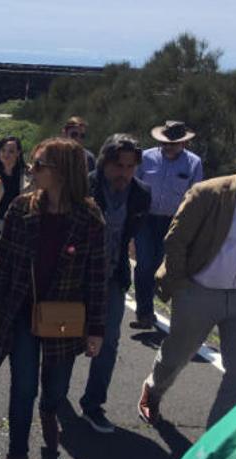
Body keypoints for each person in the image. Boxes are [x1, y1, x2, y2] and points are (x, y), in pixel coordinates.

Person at [138, 142, 236, 428]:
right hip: (199, 290)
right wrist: (181, 284)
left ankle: (213, 441)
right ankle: (154, 389)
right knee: (176, 356)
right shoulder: (208, 193)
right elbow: (176, 241)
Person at [0, 137, 106, 459]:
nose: (32, 171)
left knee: (55, 387)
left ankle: (50, 412)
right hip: (22, 313)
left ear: (63, 172)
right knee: (22, 389)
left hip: (65, 317)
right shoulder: (22, 208)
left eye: (39, 165)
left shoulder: (89, 216)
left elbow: (96, 277)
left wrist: (96, 328)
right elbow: (2, 263)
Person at [79, 134, 151, 433]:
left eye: (130, 166)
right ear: (105, 162)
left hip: (113, 278)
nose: (124, 172)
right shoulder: (83, 186)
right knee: (63, 338)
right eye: (118, 165)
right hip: (76, 278)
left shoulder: (141, 194)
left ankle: (93, 404)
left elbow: (129, 235)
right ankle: (53, 402)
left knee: (107, 343)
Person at [131, 120, 203, 329]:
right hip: (145, 218)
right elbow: (133, 184)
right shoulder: (145, 158)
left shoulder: (194, 163)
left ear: (184, 144)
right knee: (144, 264)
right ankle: (144, 313)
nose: (168, 147)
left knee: (160, 267)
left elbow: (195, 195)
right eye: (165, 143)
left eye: (173, 143)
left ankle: (152, 306)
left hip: (173, 222)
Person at [0, 136, 29, 255]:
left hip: (19, 229)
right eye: (3, 150)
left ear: (18, 153)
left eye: (11, 151)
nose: (6, 154)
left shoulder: (28, 174)